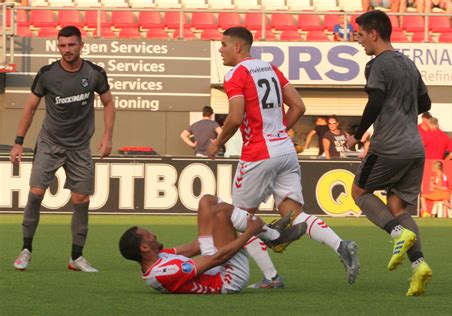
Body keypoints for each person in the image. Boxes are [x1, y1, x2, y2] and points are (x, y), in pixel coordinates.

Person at [208, 26, 360, 288]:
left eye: (223, 44)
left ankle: (272, 274)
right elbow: (299, 106)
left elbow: (233, 118)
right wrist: (278, 130)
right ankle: (340, 245)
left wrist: (217, 143)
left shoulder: (234, 74)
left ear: (237, 47)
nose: (220, 49)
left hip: (258, 152)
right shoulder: (271, 68)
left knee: (240, 219)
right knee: (295, 213)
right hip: (286, 150)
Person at [10, 26, 115, 272]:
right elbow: (30, 107)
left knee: (81, 200)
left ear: (81, 45)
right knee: (36, 193)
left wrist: (107, 136)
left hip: (79, 147)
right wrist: (18, 141)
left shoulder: (95, 73)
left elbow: (109, 103)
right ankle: (26, 250)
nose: (67, 50)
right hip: (50, 143)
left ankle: (76, 258)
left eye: (71, 45)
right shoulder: (47, 74)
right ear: (59, 46)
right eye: (62, 46)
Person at [346, 10, 432, 296]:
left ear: (374, 33)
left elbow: (376, 101)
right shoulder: (409, 64)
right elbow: (425, 102)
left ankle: (397, 233)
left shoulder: (377, 65)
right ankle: (419, 266)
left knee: (359, 192)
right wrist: (402, 114)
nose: (358, 40)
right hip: (415, 148)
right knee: (398, 209)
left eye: (360, 35)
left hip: (389, 146)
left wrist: (358, 135)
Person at [119, 195, 307, 294]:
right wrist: (249, 231)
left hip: (214, 265)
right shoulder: (165, 272)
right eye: (148, 235)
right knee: (221, 212)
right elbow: (218, 258)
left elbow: (195, 247)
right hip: (227, 279)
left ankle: (271, 234)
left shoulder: (157, 257)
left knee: (207, 202)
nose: (154, 234)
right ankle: (273, 236)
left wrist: (216, 230)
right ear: (144, 248)